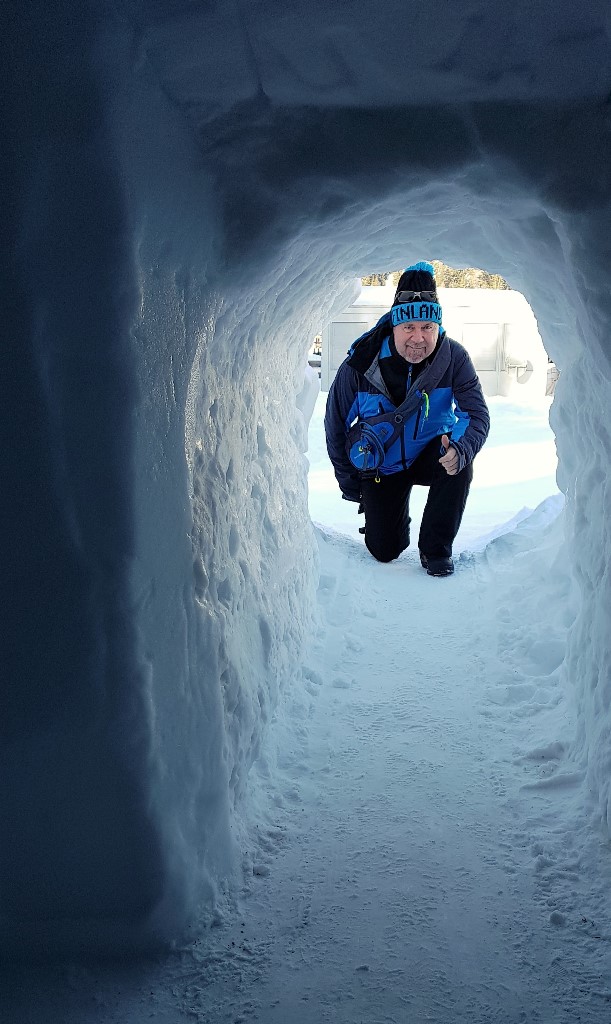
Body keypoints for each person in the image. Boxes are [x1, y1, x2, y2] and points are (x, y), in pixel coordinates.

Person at [324, 261, 490, 576]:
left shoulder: (454, 358)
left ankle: (435, 549)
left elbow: (476, 414)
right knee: (385, 551)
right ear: (394, 325)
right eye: (408, 327)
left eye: (427, 327)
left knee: (458, 459)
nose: (418, 338)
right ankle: (391, 515)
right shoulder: (360, 364)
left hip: (431, 452)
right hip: (382, 461)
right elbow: (335, 427)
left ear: (438, 327)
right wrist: (351, 483)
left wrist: (461, 448)